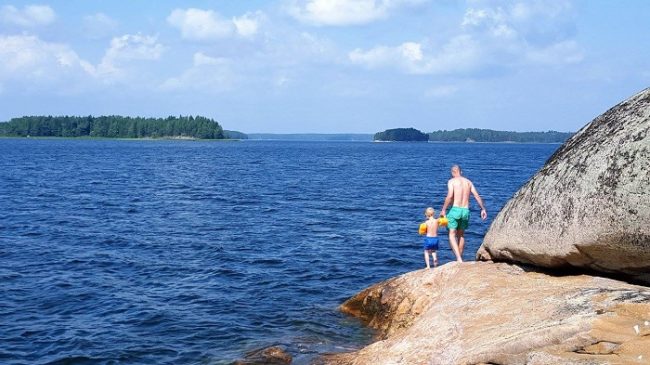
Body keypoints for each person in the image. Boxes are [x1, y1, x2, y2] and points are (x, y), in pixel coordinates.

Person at [439, 165, 487, 262]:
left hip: (455, 209)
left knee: (451, 234)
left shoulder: (451, 181)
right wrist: (483, 209)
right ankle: (459, 258)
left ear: (452, 172)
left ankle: (459, 258)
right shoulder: (468, 182)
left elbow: (449, 196)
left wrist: (443, 209)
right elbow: (477, 196)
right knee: (461, 235)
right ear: (461, 171)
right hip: (465, 211)